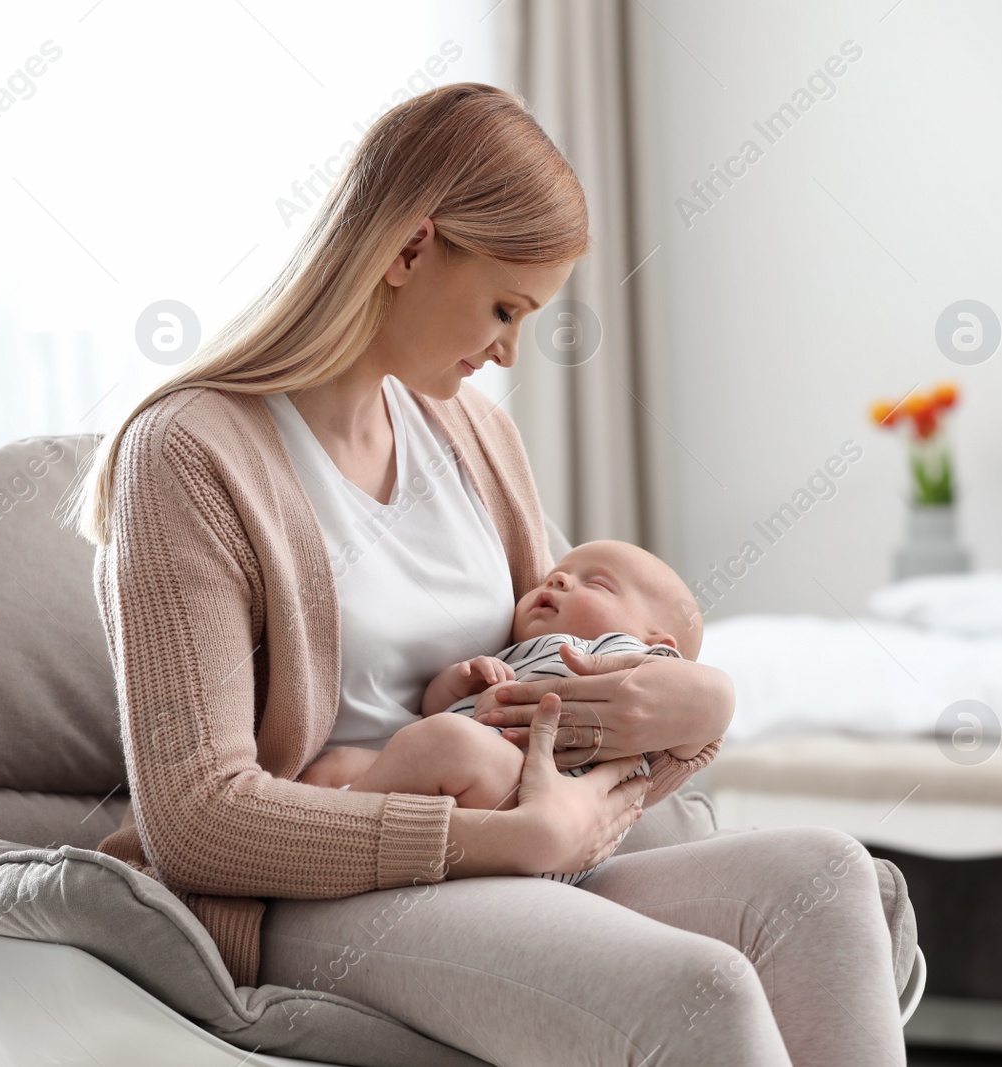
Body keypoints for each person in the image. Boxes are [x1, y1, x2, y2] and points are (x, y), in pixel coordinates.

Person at [70, 83, 909, 1066]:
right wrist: (511, 844)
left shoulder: (473, 435)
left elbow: (577, 645)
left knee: (828, 874)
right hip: (321, 891)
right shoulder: (189, 453)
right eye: (504, 306)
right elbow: (196, 822)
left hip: (520, 848)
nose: (508, 347)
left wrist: (701, 696)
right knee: (700, 989)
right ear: (411, 247)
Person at [298, 540, 705, 886]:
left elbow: (672, 686)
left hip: (556, 805)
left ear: (656, 640)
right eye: (553, 576)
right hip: (491, 809)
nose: (558, 579)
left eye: (596, 583)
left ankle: (330, 848)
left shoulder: (626, 655)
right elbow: (437, 711)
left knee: (446, 742)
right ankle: (333, 831)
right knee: (338, 762)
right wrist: (461, 683)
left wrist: (695, 687)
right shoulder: (517, 654)